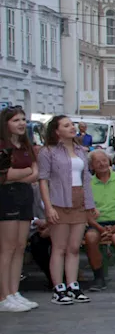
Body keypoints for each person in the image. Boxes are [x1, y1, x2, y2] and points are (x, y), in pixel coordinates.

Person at [38, 115, 97, 305]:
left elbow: (86, 179)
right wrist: (48, 207)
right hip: (59, 200)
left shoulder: (81, 150)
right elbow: (43, 180)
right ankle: (58, 288)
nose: (72, 128)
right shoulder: (48, 152)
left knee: (74, 247)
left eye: (72, 124)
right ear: (57, 131)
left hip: (78, 199)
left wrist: (90, 205)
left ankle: (73, 285)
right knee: (60, 247)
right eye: (66, 125)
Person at [0, 107, 39, 312]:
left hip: (24, 196)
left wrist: (20, 173)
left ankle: (14, 291)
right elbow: (5, 176)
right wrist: (23, 172)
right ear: (6, 123)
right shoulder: (3, 147)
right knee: (7, 247)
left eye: (23, 119)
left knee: (20, 246)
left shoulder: (26, 145)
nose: (22, 123)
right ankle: (3, 295)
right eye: (16, 120)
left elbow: (35, 173)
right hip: (7, 198)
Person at [84, 151, 115, 292]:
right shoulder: (88, 183)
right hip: (97, 223)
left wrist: (114, 228)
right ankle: (98, 277)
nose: (102, 164)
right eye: (97, 161)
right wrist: (102, 230)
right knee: (90, 237)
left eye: (104, 160)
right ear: (91, 166)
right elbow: (86, 212)